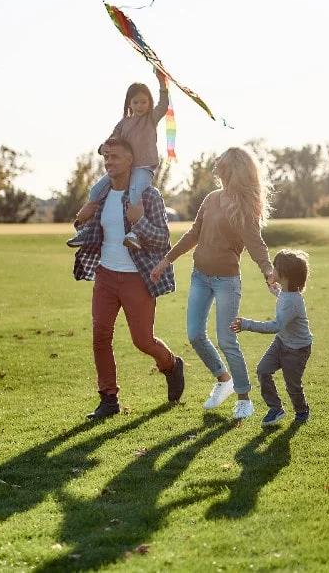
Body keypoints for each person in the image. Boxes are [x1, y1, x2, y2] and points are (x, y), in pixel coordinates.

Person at [150, 147, 277, 421]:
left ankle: (244, 398)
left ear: (232, 167)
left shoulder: (243, 206)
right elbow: (193, 234)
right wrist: (166, 260)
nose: (215, 162)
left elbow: (255, 244)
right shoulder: (211, 198)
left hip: (226, 281)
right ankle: (224, 379)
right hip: (200, 276)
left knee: (226, 339)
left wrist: (268, 270)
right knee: (195, 334)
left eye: (220, 160)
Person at [72, 137, 184, 419]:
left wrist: (139, 221)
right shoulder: (100, 195)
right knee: (100, 336)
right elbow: (92, 230)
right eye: (106, 158)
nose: (109, 162)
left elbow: (162, 240)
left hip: (137, 278)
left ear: (131, 160)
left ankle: (171, 365)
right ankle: (109, 399)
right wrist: (81, 221)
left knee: (143, 341)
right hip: (106, 276)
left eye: (116, 157)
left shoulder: (148, 196)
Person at [68, 68, 169, 250]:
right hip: (125, 167)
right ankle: (87, 229)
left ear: (149, 103)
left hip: (143, 167)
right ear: (129, 103)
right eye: (136, 102)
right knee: (96, 191)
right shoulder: (123, 124)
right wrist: (102, 148)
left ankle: (136, 233)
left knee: (135, 194)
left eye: (144, 102)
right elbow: (111, 141)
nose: (140, 106)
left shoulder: (151, 119)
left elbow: (163, 104)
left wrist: (162, 83)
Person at [231, 249, 314, 427]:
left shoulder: (293, 301)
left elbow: (275, 326)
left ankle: (302, 411)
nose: (272, 270)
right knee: (263, 370)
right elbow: (283, 296)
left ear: (285, 275)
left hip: (297, 350)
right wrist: (274, 289)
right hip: (281, 343)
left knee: (292, 385)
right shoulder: (287, 292)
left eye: (275, 268)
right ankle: (275, 408)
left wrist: (247, 324)